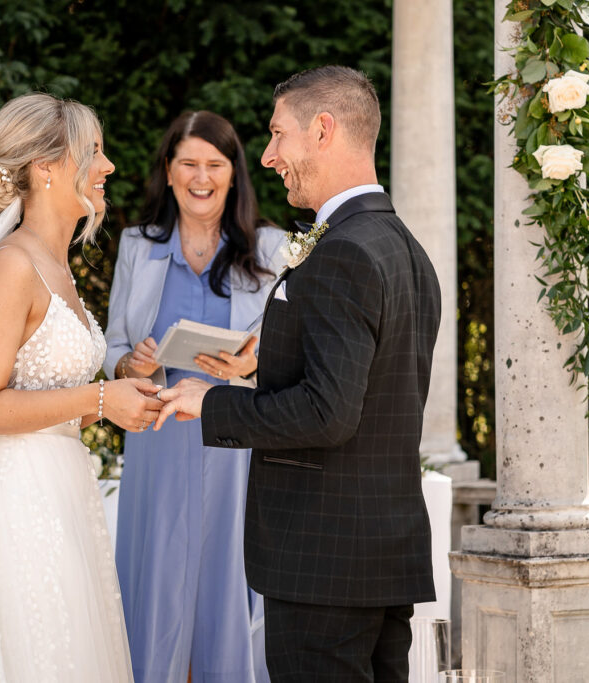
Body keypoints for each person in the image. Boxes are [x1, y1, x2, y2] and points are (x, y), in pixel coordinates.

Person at [155, 66, 442, 682]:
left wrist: (213, 402)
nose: (268, 155)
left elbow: (327, 412)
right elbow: (364, 392)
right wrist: (263, 360)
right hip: (376, 555)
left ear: (323, 130)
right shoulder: (404, 250)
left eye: (278, 134)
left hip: (325, 563)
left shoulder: (344, 253)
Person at [0, 93, 161, 682]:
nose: (106, 167)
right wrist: (101, 399)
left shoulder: (58, 267)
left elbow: (44, 403)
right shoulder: (12, 266)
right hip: (17, 506)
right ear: (46, 168)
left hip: (61, 493)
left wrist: (121, 384)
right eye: (94, 152)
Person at [104, 110, 286, 683]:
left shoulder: (273, 248)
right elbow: (111, 345)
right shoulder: (137, 245)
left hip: (236, 446)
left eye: (214, 164)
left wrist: (249, 363)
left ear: (234, 174)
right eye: (189, 163)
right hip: (156, 442)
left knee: (228, 586)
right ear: (169, 170)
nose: (201, 176)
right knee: (154, 585)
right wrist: (130, 362)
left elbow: (290, 360)